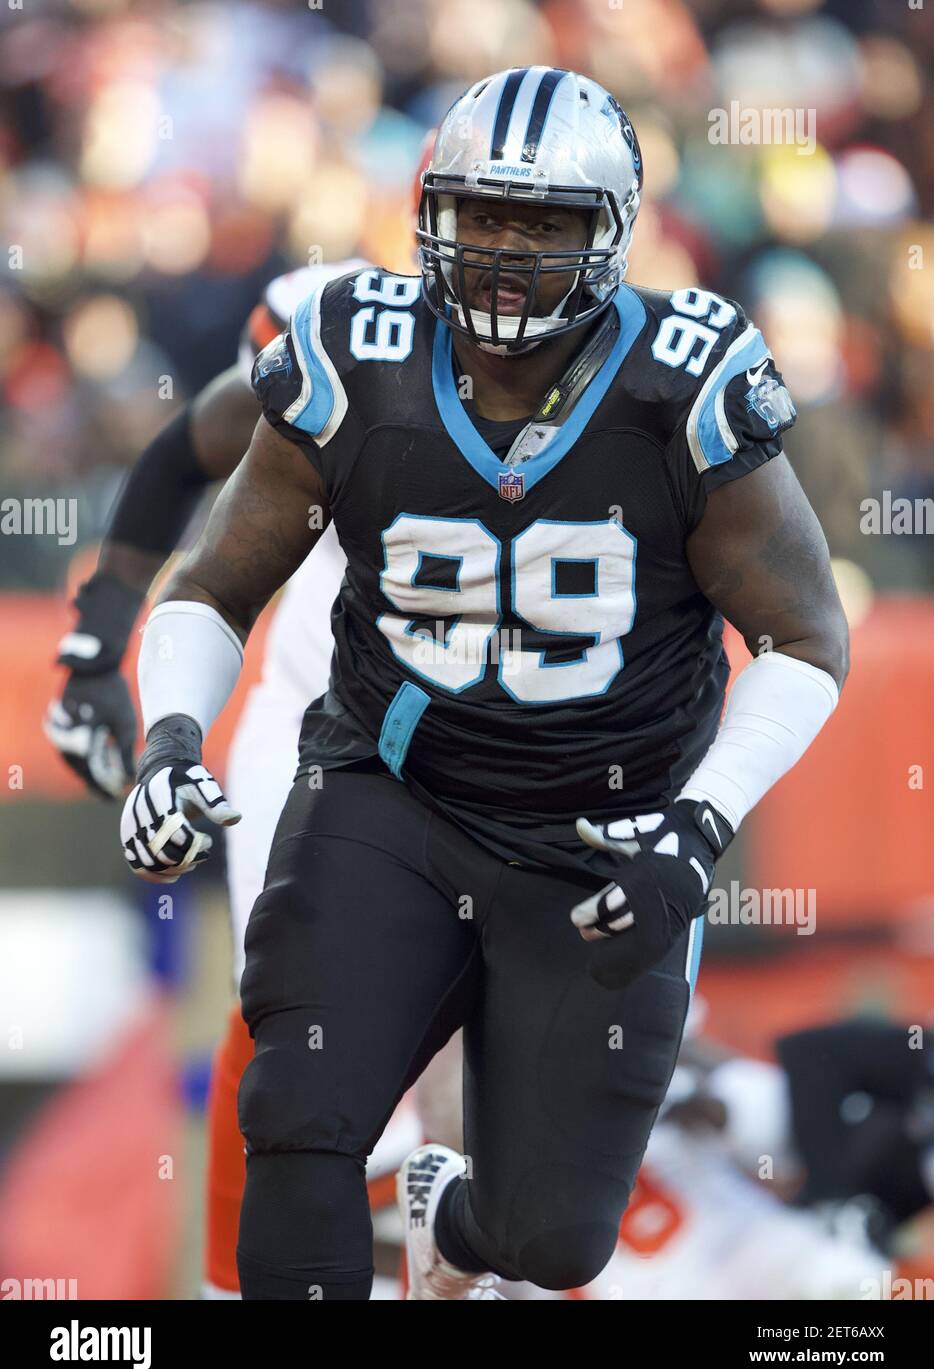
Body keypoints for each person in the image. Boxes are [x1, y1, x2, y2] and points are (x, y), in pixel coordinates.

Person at [117, 66, 848, 1300]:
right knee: (298, 1105)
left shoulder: (684, 386)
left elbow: (807, 637)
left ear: (609, 233)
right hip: (394, 793)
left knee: (553, 1238)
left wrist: (695, 827)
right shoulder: (358, 350)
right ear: (430, 214)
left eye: (546, 224)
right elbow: (208, 583)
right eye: (484, 215)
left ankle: (453, 1220)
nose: (507, 252)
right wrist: (169, 739)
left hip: (597, 828)